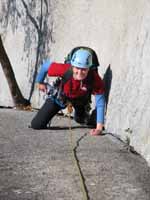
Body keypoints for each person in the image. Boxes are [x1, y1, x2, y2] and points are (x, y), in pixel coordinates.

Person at [31, 48, 105, 136]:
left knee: (81, 120)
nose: (80, 72)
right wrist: (39, 82)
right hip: (60, 98)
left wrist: (99, 128)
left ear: (89, 68)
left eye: (84, 69)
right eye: (77, 68)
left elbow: (100, 102)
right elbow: (46, 66)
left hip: (80, 101)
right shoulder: (65, 69)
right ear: (72, 66)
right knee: (36, 124)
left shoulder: (94, 79)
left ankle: (85, 115)